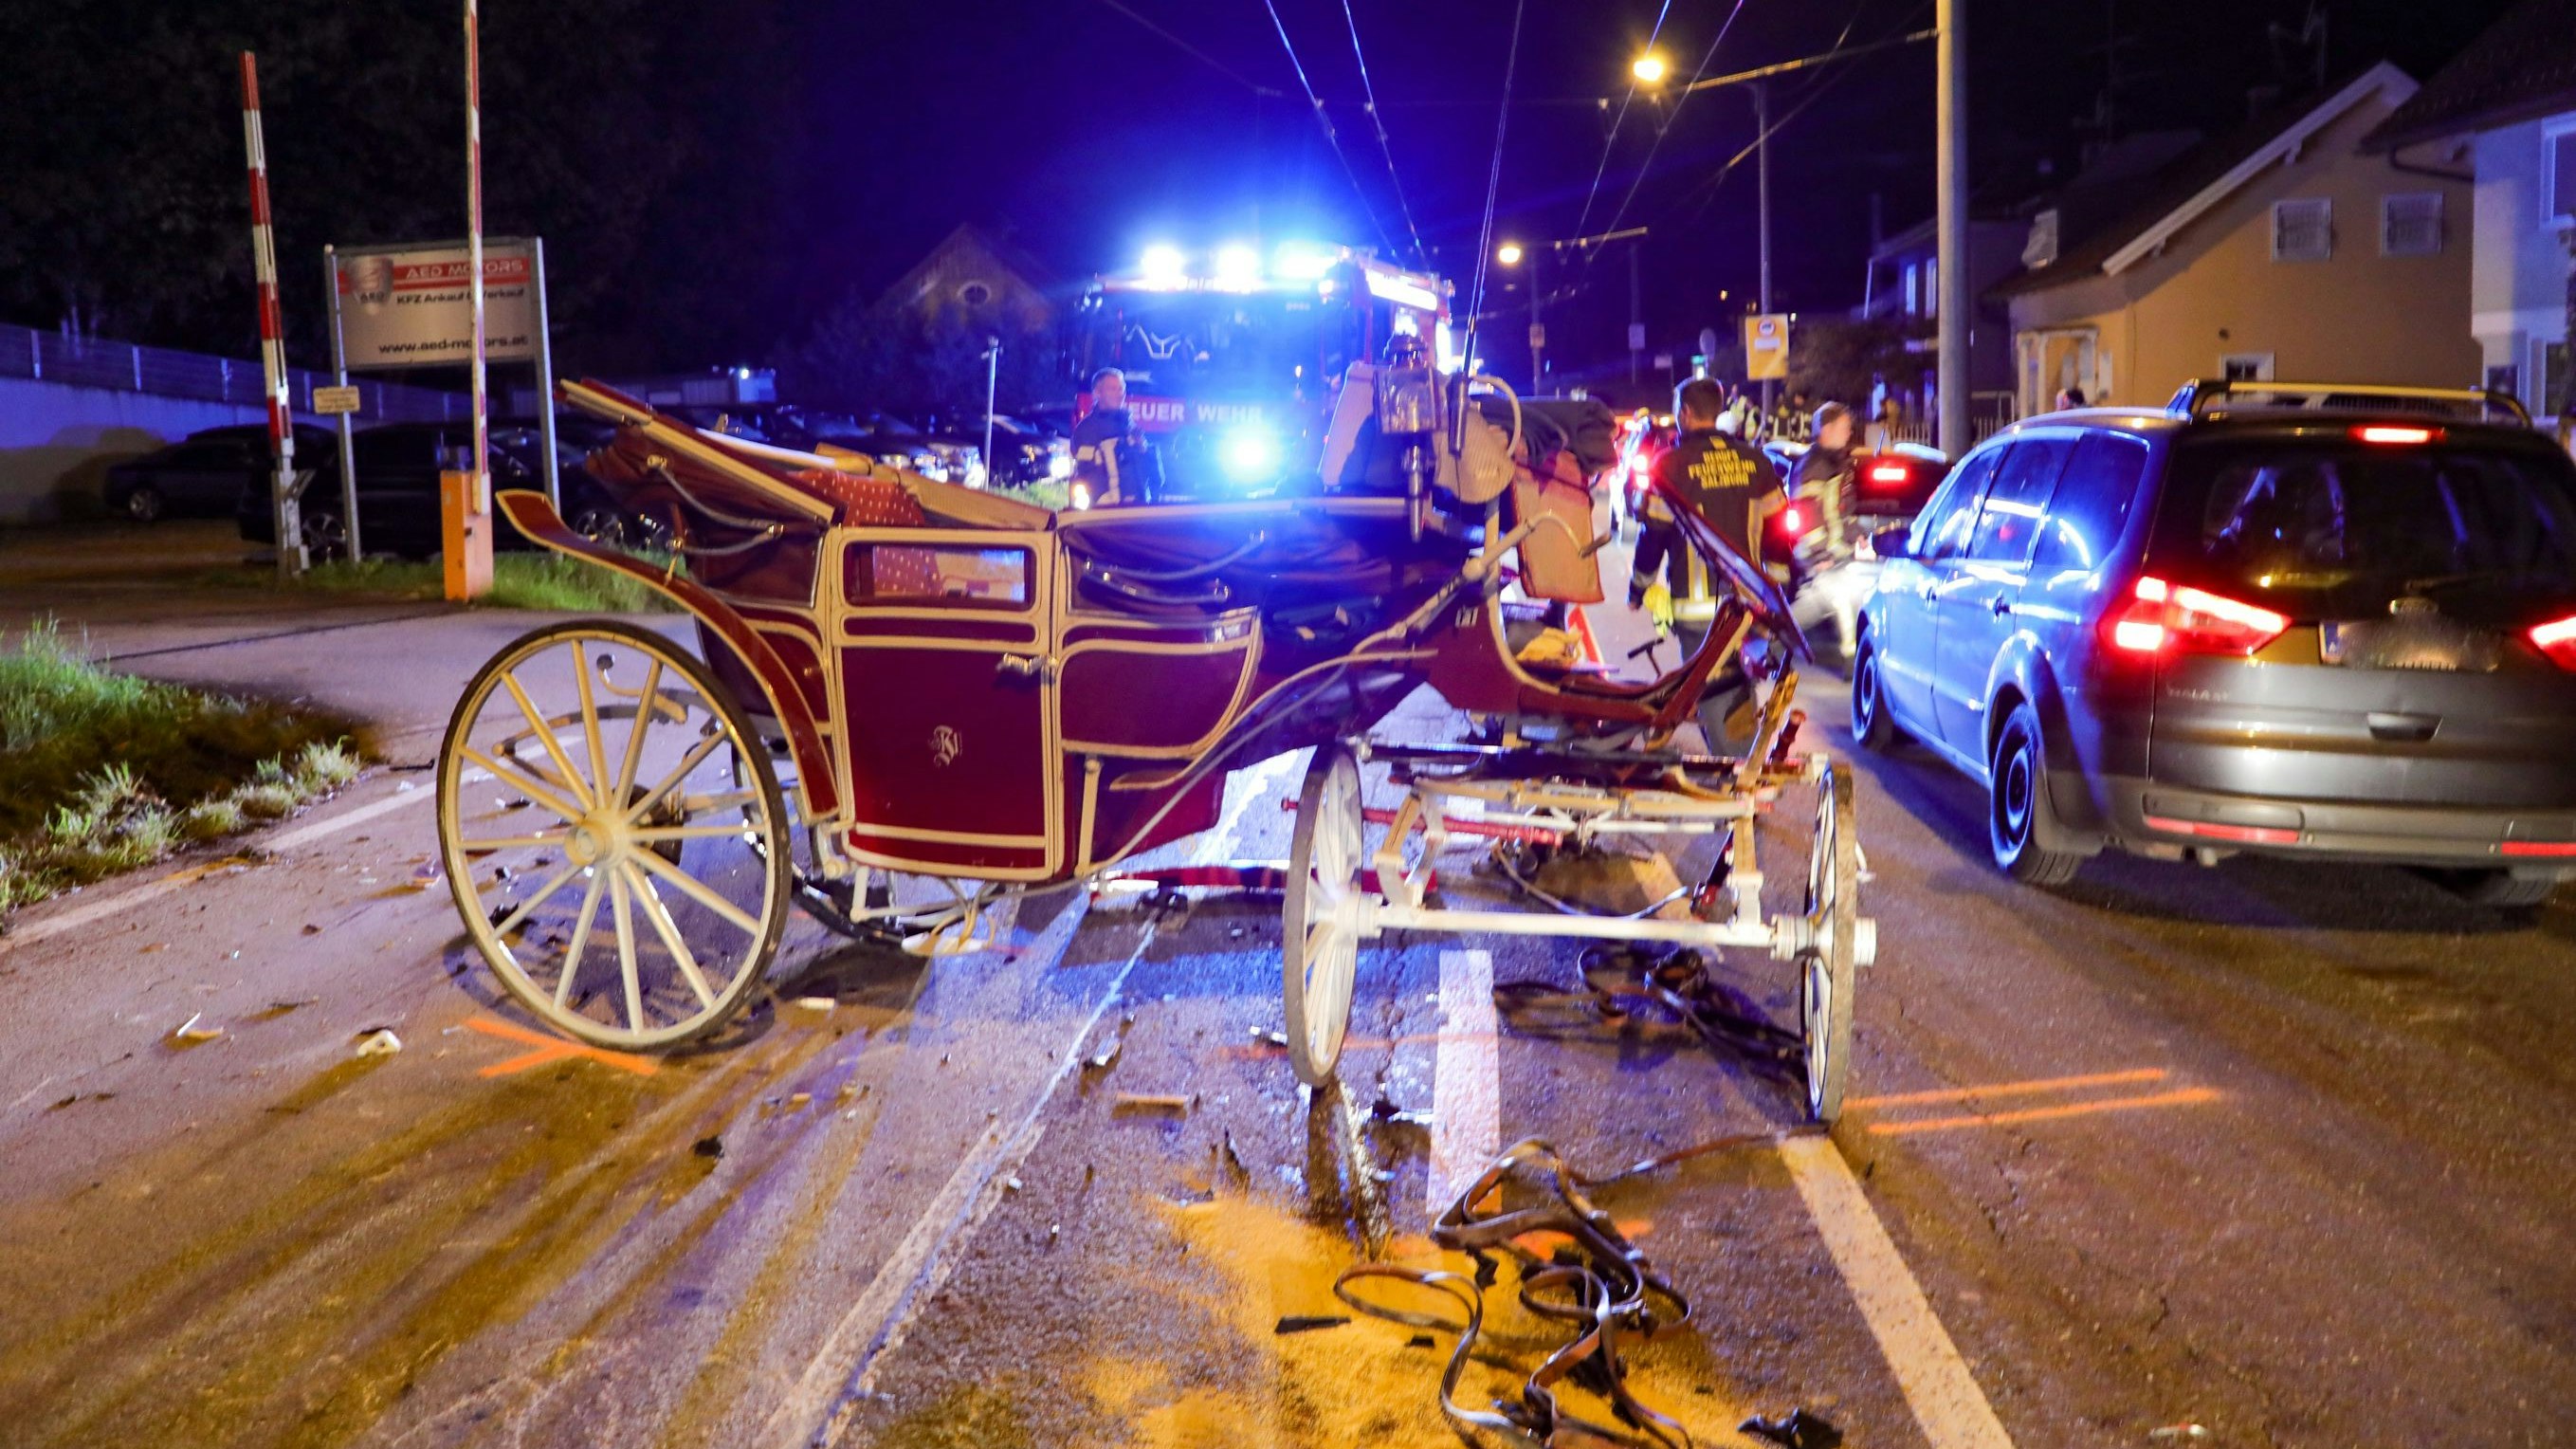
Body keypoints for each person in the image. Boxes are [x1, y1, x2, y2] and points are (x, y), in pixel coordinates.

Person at [1644, 376, 1789, 749]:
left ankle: (1736, 776)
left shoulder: (1670, 465)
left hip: (1697, 613)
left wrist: (1638, 586)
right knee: (1738, 683)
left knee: (1710, 688)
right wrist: (1773, 594)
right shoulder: (1756, 463)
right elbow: (1779, 536)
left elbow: (1654, 534)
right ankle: (1741, 762)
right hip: (1747, 605)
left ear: (1685, 413)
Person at [1069, 367, 1153, 505]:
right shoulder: (1087, 430)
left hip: (1138, 509)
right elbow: (1087, 475)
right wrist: (1105, 505)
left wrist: (1144, 448)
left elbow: (1146, 469)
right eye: (1113, 389)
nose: (1119, 394)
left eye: (1121, 389)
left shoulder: (1130, 425)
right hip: (1108, 513)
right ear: (1097, 393)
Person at [1791, 401, 1858, 571]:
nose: (1848, 434)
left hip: (1837, 559)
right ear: (1827, 430)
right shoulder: (1815, 467)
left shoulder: (1836, 464)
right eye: (1844, 428)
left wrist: (1858, 536)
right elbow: (1807, 515)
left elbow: (1843, 512)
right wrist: (1820, 556)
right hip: (1819, 565)